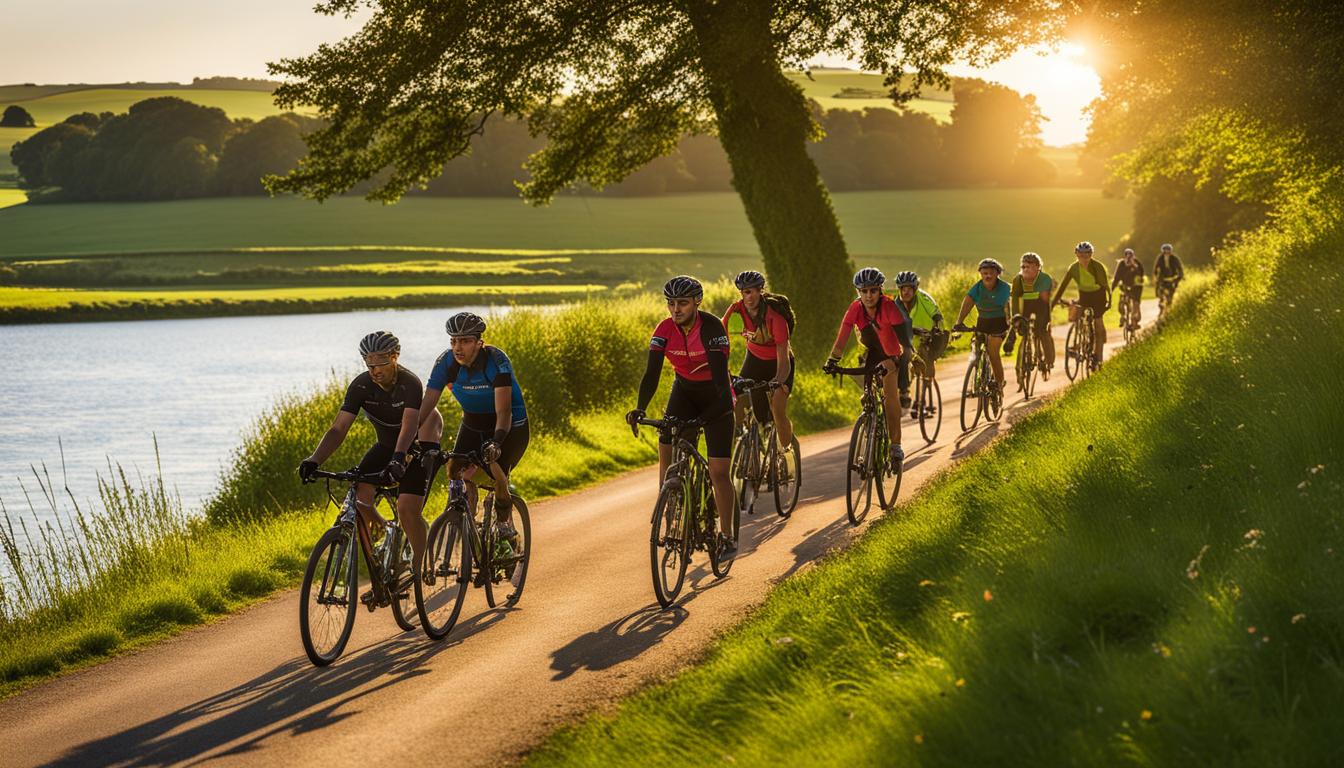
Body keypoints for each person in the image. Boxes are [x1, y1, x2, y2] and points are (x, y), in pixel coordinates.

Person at [299, 331, 440, 574]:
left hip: (416, 445)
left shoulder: (410, 383)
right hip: (385, 446)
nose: (374, 369)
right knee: (359, 496)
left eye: (381, 362)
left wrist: (398, 460)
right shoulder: (361, 385)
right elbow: (338, 428)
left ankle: (420, 565)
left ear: (395, 357)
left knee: (407, 509)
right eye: (369, 363)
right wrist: (314, 459)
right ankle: (387, 546)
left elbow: (408, 426)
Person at [626, 276, 738, 552]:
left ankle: (726, 535)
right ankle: (670, 504)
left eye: (683, 303)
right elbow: (651, 374)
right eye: (671, 303)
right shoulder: (664, 329)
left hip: (717, 396)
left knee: (719, 473)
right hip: (684, 392)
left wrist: (705, 417)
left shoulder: (712, 328)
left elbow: (723, 386)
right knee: (666, 440)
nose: (676, 309)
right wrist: (640, 408)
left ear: (697, 302)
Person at [418, 311, 529, 543]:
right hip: (473, 422)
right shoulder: (446, 364)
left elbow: (504, 412)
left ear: (479, 343)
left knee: (497, 472)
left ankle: (503, 523)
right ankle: (468, 521)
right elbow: (426, 406)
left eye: (465, 341)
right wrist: (408, 439)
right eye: (454, 341)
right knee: (455, 471)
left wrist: (496, 442)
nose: (458, 347)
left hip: (508, 425)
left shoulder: (496, 361)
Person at [824, 267, 910, 468]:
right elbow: (843, 335)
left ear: (880, 290)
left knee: (890, 398)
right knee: (867, 395)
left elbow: (904, 342)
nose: (868, 295)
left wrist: (899, 361)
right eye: (863, 291)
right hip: (872, 353)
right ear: (858, 292)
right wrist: (832, 360)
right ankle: (871, 424)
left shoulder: (889, 307)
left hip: (892, 354)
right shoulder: (855, 308)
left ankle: (895, 446)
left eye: (873, 290)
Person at [721, 269, 795, 468]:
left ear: (761, 291)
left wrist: (778, 380)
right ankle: (746, 439)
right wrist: (721, 372)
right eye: (745, 292)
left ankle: (787, 456)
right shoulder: (736, 310)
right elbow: (720, 341)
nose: (749, 297)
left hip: (779, 363)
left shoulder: (775, 317)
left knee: (777, 408)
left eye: (753, 291)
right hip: (754, 360)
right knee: (736, 397)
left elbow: (783, 354)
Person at [952, 259, 1011, 394]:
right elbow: (968, 303)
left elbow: (1008, 308)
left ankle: (999, 384)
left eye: (991, 273)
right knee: (975, 348)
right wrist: (958, 322)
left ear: (998, 274)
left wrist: (1011, 326)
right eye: (984, 273)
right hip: (983, 323)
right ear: (980, 274)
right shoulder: (977, 287)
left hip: (1000, 323)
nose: (987, 276)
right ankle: (976, 379)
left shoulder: (1005, 288)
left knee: (992, 351)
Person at [1051, 241, 1110, 366]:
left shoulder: (1097, 267)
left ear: (1091, 255)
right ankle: (1076, 343)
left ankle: (1098, 358)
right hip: (1084, 295)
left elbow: (1105, 286)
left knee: (1098, 324)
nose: (1084, 258)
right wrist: (1051, 305)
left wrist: (1108, 301)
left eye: (1087, 255)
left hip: (1098, 295)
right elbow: (1062, 287)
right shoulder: (1073, 268)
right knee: (1077, 315)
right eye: (1080, 255)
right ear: (1076, 255)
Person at [1005, 252, 1055, 376]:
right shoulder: (1018, 279)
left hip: (1041, 306)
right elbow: (1015, 299)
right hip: (1026, 306)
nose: (1025, 269)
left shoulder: (1044, 279)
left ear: (1038, 267)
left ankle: (1048, 360)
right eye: (1023, 267)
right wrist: (1015, 316)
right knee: (1022, 330)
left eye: (1029, 266)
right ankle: (1025, 355)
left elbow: (1045, 301)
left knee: (1042, 331)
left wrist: (1043, 321)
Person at [892, 270, 948, 379]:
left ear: (915, 289)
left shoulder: (923, 298)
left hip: (925, 334)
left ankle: (927, 381)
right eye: (903, 289)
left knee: (927, 360)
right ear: (899, 289)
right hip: (908, 338)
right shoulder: (895, 304)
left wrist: (937, 320)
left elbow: (934, 310)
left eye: (909, 289)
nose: (906, 292)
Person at [1111, 247, 1146, 329]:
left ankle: (1134, 322)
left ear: (1133, 256)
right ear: (1125, 256)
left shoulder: (1137, 263)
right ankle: (1123, 316)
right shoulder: (1121, 264)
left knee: (1135, 303)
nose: (1129, 257)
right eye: (1127, 255)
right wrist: (1112, 289)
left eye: (1130, 255)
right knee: (1122, 300)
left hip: (1136, 287)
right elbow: (1117, 277)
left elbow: (1141, 274)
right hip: (1125, 285)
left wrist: (1134, 266)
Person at [1153, 243, 1185, 309]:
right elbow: (1156, 267)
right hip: (1162, 279)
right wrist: (1156, 276)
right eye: (1165, 251)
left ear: (1171, 251)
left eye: (1168, 251)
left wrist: (1180, 276)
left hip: (1172, 278)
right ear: (1163, 251)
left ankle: (1169, 306)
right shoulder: (1160, 258)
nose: (1167, 252)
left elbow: (1180, 268)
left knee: (1171, 295)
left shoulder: (1174, 258)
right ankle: (1161, 300)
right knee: (1159, 289)